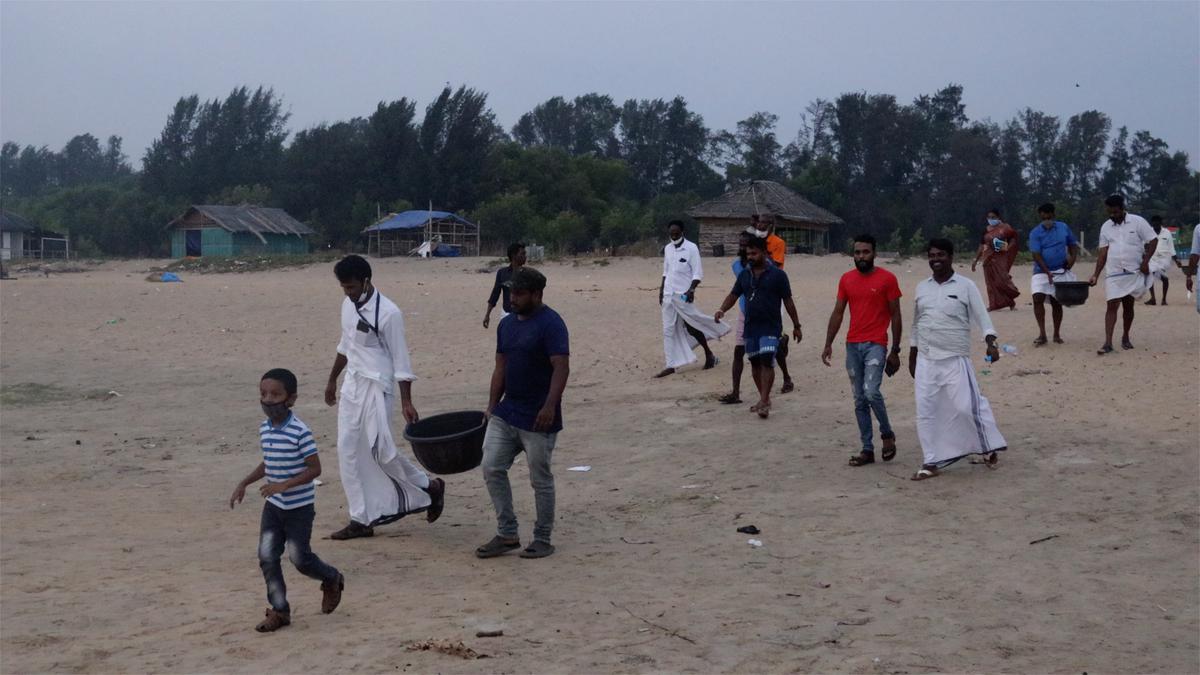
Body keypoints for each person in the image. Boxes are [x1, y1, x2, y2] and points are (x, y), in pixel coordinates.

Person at [324, 255, 445, 540]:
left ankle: (429, 487)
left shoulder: (389, 313)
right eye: (344, 288)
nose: (348, 293)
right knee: (347, 450)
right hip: (353, 384)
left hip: (379, 387)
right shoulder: (347, 305)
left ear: (366, 281)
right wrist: (332, 379)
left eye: (352, 287)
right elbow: (346, 345)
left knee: (382, 450)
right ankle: (360, 519)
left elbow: (402, 362)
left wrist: (406, 401)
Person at [230, 369, 344, 632]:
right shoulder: (265, 429)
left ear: (291, 399)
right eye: (263, 394)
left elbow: (315, 469)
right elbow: (268, 461)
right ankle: (279, 611)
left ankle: (331, 578)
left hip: (298, 509)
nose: (268, 400)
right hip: (274, 508)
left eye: (275, 394)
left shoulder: (300, 431)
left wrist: (285, 485)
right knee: (267, 557)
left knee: (300, 559)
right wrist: (245, 482)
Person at [476, 267, 569, 560]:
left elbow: (561, 367)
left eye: (518, 293)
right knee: (491, 466)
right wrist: (492, 406)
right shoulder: (506, 326)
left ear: (537, 294)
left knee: (539, 478)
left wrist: (550, 407)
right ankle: (507, 533)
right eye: (510, 292)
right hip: (508, 411)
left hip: (539, 416)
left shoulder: (551, 324)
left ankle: (542, 537)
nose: (512, 298)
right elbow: (500, 367)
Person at [908, 239, 1006, 481]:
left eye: (940, 254)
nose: (936, 259)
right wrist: (912, 353)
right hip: (926, 359)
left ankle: (988, 445)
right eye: (931, 255)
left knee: (967, 407)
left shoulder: (965, 286)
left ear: (951, 257)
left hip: (955, 359)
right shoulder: (922, 288)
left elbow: (982, 317)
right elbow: (916, 323)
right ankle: (931, 461)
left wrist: (991, 342)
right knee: (925, 412)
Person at [821, 234, 903, 466]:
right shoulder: (846, 279)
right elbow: (838, 312)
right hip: (852, 345)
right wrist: (828, 343)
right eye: (857, 253)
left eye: (866, 252)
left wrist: (895, 350)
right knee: (858, 400)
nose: (861, 257)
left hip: (876, 344)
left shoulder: (888, 279)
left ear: (874, 253)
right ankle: (867, 449)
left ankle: (886, 434)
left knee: (871, 392)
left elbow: (896, 314)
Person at [714, 236, 802, 419]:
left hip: (771, 325)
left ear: (764, 252)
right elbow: (734, 295)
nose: (751, 257)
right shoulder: (745, 275)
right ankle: (765, 397)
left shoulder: (778, 275)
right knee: (754, 362)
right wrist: (722, 309)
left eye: (754, 253)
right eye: (748, 254)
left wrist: (796, 325)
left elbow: (788, 301)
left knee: (766, 360)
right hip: (751, 326)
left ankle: (763, 401)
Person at [657, 220, 730, 377]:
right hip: (668, 295)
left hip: (683, 295)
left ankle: (709, 353)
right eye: (671, 233)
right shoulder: (668, 249)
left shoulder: (691, 248)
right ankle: (671, 365)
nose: (674, 236)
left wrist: (691, 290)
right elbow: (666, 271)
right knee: (668, 330)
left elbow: (697, 273)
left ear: (683, 232)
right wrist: (661, 291)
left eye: (676, 233)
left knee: (692, 325)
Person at [1088, 194, 1158, 355]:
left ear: (1122, 208)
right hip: (1114, 273)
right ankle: (1107, 343)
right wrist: (1095, 275)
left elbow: (1153, 240)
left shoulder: (1137, 222)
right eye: (1110, 213)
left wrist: (1146, 261)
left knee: (1128, 306)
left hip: (1133, 271)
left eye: (1116, 212)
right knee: (1111, 305)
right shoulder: (1105, 227)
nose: (1113, 216)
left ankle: (1125, 336)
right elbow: (1103, 253)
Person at [1027, 203, 1080, 346]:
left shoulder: (1063, 227)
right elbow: (1036, 254)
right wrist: (1046, 271)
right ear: (1040, 216)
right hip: (1041, 271)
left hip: (1060, 270)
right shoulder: (1035, 233)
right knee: (1037, 297)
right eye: (1044, 215)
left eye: (1049, 214)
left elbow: (1073, 244)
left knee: (1057, 301)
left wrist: (1072, 259)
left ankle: (1056, 334)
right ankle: (1042, 334)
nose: (1047, 218)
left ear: (1053, 214)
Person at [759, 213, 796, 393]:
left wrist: (763, 252)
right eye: (759, 222)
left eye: (764, 223)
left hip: (774, 291)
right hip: (756, 293)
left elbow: (776, 264)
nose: (760, 225)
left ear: (771, 225)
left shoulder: (777, 243)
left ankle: (786, 378)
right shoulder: (754, 242)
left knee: (774, 337)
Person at [718, 230, 756, 405]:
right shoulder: (736, 266)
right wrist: (722, 309)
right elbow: (736, 291)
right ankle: (735, 392)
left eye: (745, 245)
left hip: (764, 314)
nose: (742, 248)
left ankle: (786, 377)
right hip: (744, 311)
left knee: (769, 353)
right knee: (738, 351)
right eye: (740, 245)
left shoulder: (766, 264)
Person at [972, 208, 1021, 311]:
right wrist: (975, 260)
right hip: (988, 258)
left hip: (1001, 257)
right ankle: (993, 304)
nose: (991, 219)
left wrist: (1007, 247)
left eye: (993, 217)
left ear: (998, 217)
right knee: (990, 283)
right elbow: (981, 245)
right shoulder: (986, 230)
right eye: (989, 217)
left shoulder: (1005, 228)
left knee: (1002, 280)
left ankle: (1011, 300)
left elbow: (1013, 239)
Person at [483, 242, 526, 328]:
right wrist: (487, 314)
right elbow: (495, 294)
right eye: (522, 254)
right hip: (506, 314)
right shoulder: (502, 273)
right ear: (514, 256)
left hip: (523, 316)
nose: (525, 256)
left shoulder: (527, 274)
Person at [1145, 216, 1176, 306]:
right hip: (1152, 258)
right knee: (1150, 273)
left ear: (1161, 223)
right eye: (1154, 223)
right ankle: (1153, 298)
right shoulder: (1148, 232)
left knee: (1164, 279)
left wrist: (1176, 260)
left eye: (1157, 223)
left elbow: (1171, 247)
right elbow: (1144, 244)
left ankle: (1163, 299)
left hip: (1164, 259)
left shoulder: (1167, 233)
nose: (1155, 225)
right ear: (1152, 224)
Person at [1187, 225, 1200, 314]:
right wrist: (1189, 277)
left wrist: (1189, 277)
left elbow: (1195, 255)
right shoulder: (1198, 228)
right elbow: (1195, 254)